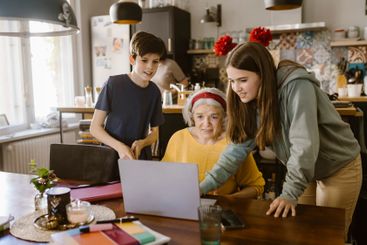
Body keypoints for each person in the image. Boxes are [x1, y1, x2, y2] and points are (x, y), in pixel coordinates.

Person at [199, 41, 362, 238]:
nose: (236, 88)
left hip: (338, 166)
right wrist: (201, 188)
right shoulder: (249, 103)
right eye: (232, 81)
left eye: (243, 80)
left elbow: (304, 145)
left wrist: (289, 193)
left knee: (327, 236)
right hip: (306, 169)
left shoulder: (297, 86)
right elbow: (233, 154)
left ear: (263, 75)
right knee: (300, 232)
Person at [162, 88, 265, 199]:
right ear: (192, 117)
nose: (206, 124)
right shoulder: (179, 138)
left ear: (224, 118)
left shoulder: (236, 145)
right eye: (200, 116)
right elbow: (164, 177)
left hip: (222, 211)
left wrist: (230, 200)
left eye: (214, 117)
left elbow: (256, 186)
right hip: (182, 205)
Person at [90, 31, 165, 160]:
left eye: (155, 61)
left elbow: (155, 133)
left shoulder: (154, 92)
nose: (150, 67)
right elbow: (95, 128)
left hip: (139, 156)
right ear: (132, 59)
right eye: (144, 60)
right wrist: (120, 147)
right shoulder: (113, 84)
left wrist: (143, 143)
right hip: (111, 155)